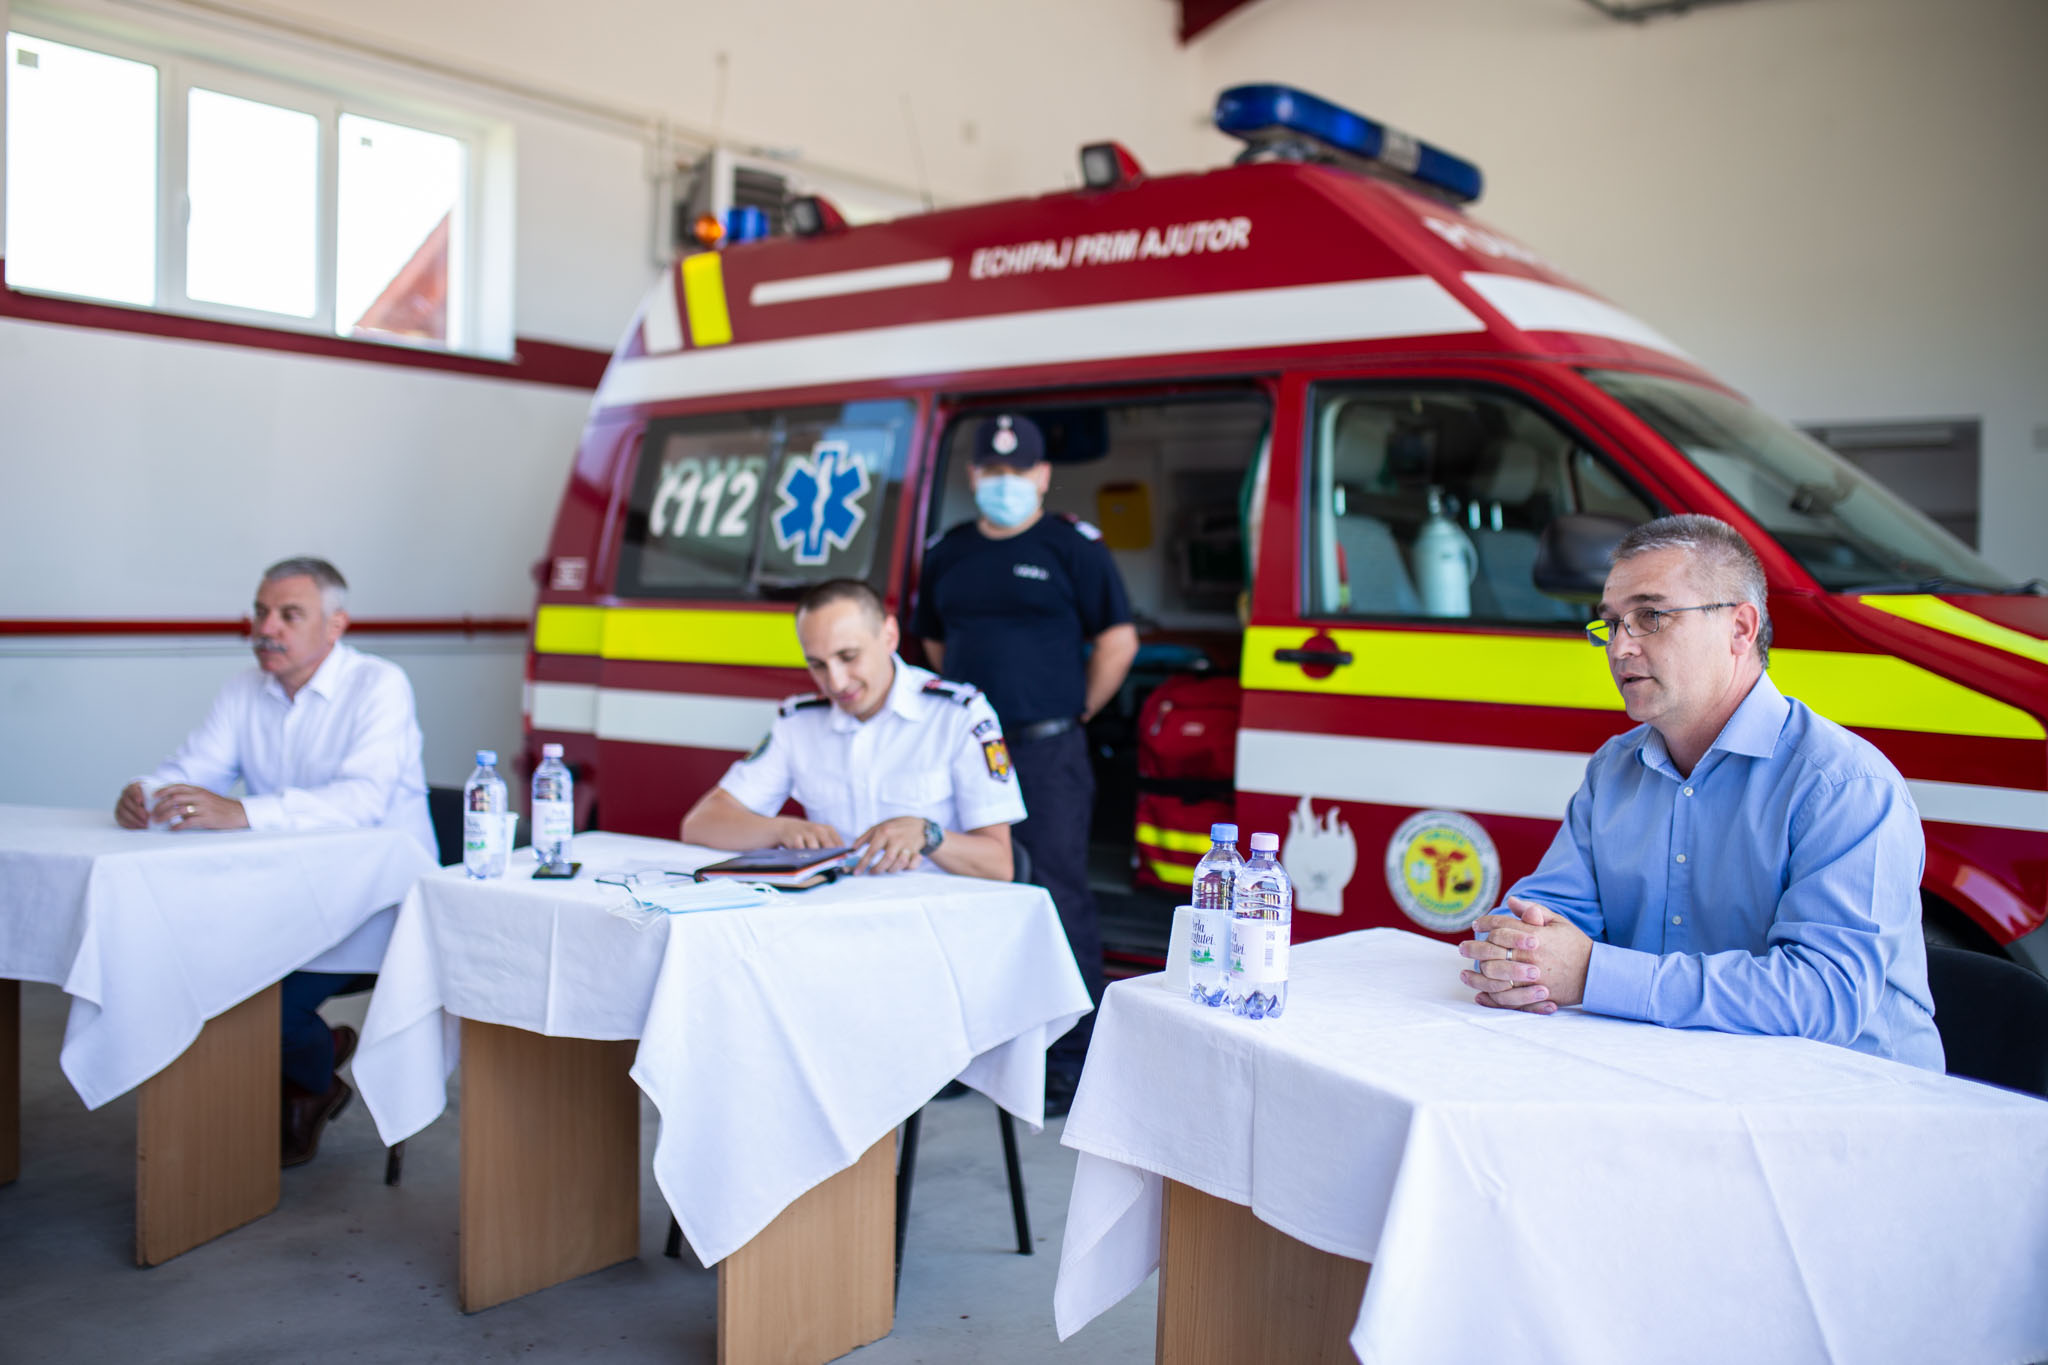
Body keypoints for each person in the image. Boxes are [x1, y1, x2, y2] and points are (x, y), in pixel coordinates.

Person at [1459, 514, 1943, 1071]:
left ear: (1740, 629)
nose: (1620, 648)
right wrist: (1517, 953)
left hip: (1851, 1105)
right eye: (1612, 624)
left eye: (1651, 617)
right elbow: (1551, 913)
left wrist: (1592, 974)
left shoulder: (1844, 786)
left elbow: (1823, 996)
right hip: (1680, 1077)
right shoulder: (1615, 768)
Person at [116, 557, 435, 1162]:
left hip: (371, 904)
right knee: (184, 970)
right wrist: (144, 792)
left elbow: (362, 802)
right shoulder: (244, 689)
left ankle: (313, 1081)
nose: (269, 628)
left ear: (336, 625)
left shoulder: (379, 685)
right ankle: (318, 1052)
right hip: (278, 899)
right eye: (262, 612)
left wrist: (243, 812)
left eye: (290, 615)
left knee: (252, 1001)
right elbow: (190, 773)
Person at [913, 413, 1139, 1111]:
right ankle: (969, 1050)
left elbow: (1118, 642)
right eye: (991, 470)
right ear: (972, 476)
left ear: (1042, 476)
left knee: (1058, 894)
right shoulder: (949, 553)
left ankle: (1072, 1058)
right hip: (967, 751)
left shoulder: (1074, 547)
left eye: (1018, 470)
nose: (1003, 482)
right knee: (965, 892)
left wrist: (1073, 713)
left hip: (1047, 748)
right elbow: (933, 646)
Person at [682, 578, 1023, 880]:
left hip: (933, 921)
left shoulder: (958, 715)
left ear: (889, 636)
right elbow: (700, 824)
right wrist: (782, 829)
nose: (836, 682)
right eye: (817, 664)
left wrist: (930, 836)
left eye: (848, 656)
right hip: (831, 917)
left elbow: (1000, 865)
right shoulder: (799, 722)